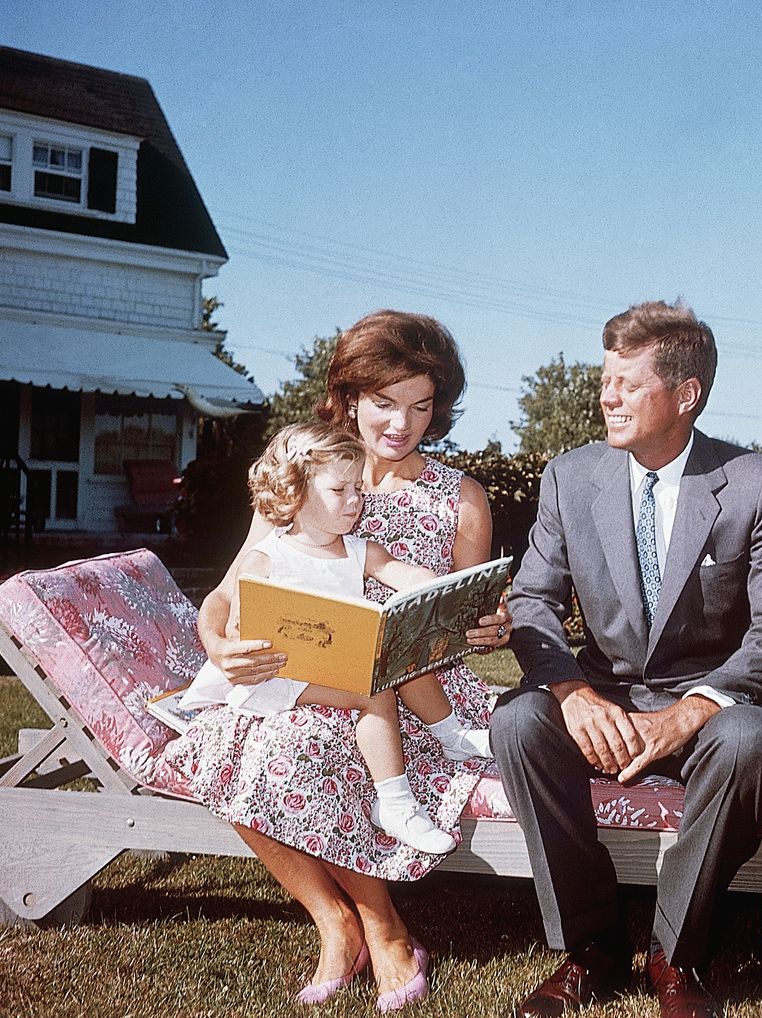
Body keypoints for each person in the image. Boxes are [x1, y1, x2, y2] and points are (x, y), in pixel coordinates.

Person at [163, 310, 510, 1011]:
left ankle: (383, 928)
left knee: (304, 740)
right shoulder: (306, 477)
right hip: (310, 678)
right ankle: (336, 919)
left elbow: (468, 608)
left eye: (421, 406)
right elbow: (226, 597)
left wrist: (489, 625)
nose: (401, 424)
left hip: (420, 693)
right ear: (349, 397)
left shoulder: (461, 499)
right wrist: (221, 648)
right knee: (232, 735)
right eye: (384, 403)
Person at [491, 300, 762, 1018]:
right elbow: (534, 603)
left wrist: (695, 708)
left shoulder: (752, 482)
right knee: (517, 722)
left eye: (626, 384)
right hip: (604, 696)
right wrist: (572, 691)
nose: (606, 397)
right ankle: (590, 948)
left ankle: (675, 957)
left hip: (710, 706)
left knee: (750, 738)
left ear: (685, 394)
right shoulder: (569, 478)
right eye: (605, 379)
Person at [178, 420, 493, 855]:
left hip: (331, 666)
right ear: (296, 492)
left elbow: (408, 576)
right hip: (278, 676)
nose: (354, 502)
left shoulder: (359, 549)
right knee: (375, 691)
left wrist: (456, 592)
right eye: (339, 491)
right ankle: (396, 804)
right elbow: (239, 626)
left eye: (357, 490)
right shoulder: (267, 557)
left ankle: (452, 735)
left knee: (397, 660)